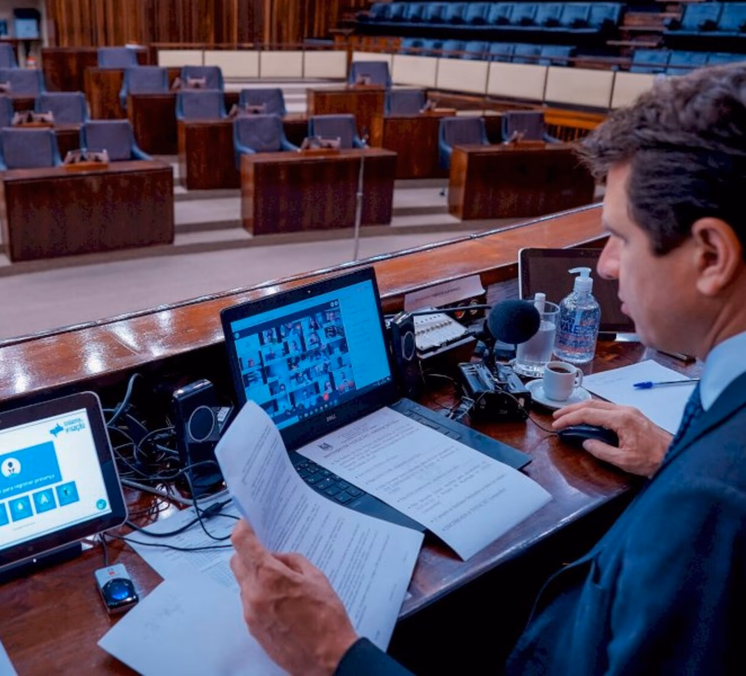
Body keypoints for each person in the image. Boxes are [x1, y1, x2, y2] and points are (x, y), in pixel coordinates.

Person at [230, 63, 746, 675]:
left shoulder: (711, 505)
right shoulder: (720, 430)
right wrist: (672, 457)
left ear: (711, 256)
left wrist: (334, 657)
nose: (606, 266)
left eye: (620, 238)